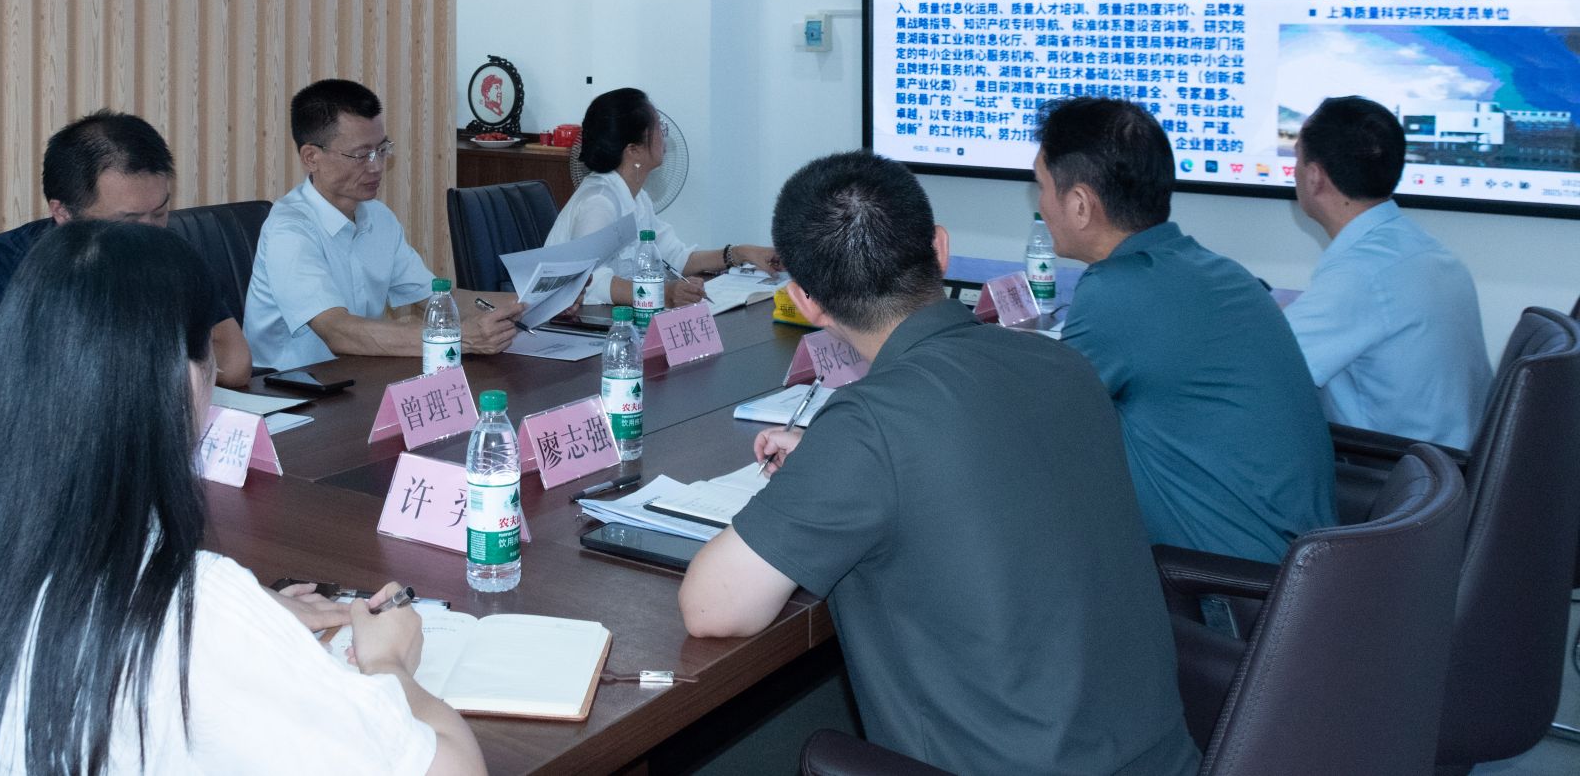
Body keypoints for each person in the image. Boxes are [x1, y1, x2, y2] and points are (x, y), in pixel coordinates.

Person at [0, 221, 485, 775]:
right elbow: (452, 768)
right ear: (181, 377)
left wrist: (253, 615)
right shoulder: (186, 607)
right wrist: (390, 665)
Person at [680, 151, 1199, 776]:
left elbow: (713, 610)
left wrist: (839, 464)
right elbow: (982, 463)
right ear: (941, 249)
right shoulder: (1063, 363)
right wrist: (832, 468)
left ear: (806, 302)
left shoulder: (871, 424)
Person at [1037, 96, 1335, 562]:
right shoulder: (1217, 271)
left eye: (1040, 187)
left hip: (1224, 586)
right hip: (1301, 573)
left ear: (1079, 204)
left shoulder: (1118, 290)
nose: (1040, 205)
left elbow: (1038, 423)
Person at [0, 110, 250, 412]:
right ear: (63, 213)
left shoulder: (172, 253)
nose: (151, 235)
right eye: (129, 221)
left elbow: (235, 363)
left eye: (159, 213)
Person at [244, 79, 522, 369]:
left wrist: (526, 303)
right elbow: (337, 331)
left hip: (355, 375)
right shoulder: (290, 230)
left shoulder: (378, 217)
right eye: (361, 155)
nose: (376, 166)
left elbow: (438, 299)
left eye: (382, 149)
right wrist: (458, 337)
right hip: (287, 386)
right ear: (311, 157)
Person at [1285, 95, 1492, 448]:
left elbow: (1261, 370)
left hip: (1393, 469)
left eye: (1297, 159)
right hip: (1445, 463)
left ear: (1315, 177)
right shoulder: (1419, 248)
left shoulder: (1360, 275)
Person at [543, 88, 778, 308]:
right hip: (578, 323)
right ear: (633, 150)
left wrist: (740, 253)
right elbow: (589, 282)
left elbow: (675, 258)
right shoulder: (599, 202)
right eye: (659, 128)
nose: (664, 137)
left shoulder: (638, 198)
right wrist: (662, 293)